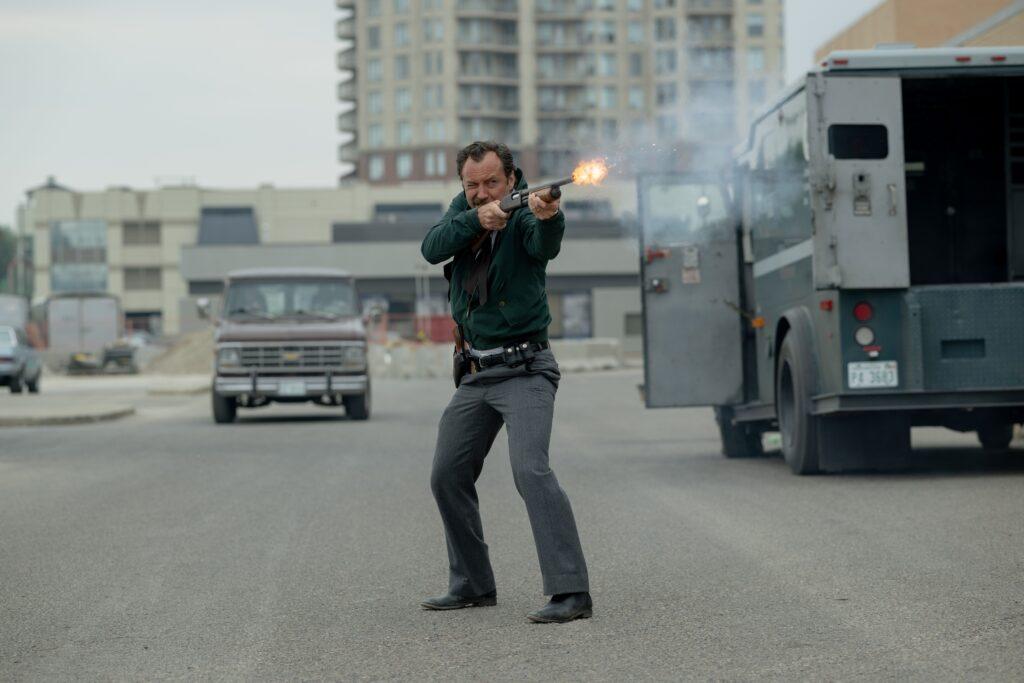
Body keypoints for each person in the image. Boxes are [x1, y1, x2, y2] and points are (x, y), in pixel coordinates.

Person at [419, 141, 592, 624]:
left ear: (512, 180)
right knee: (447, 474)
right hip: (476, 374)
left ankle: (571, 592)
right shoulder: (465, 213)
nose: (481, 192)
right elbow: (432, 247)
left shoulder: (526, 213)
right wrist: (477, 218)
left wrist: (548, 213)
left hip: (525, 369)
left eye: (491, 183)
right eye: (472, 185)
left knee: (531, 471)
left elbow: (546, 243)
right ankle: (472, 585)